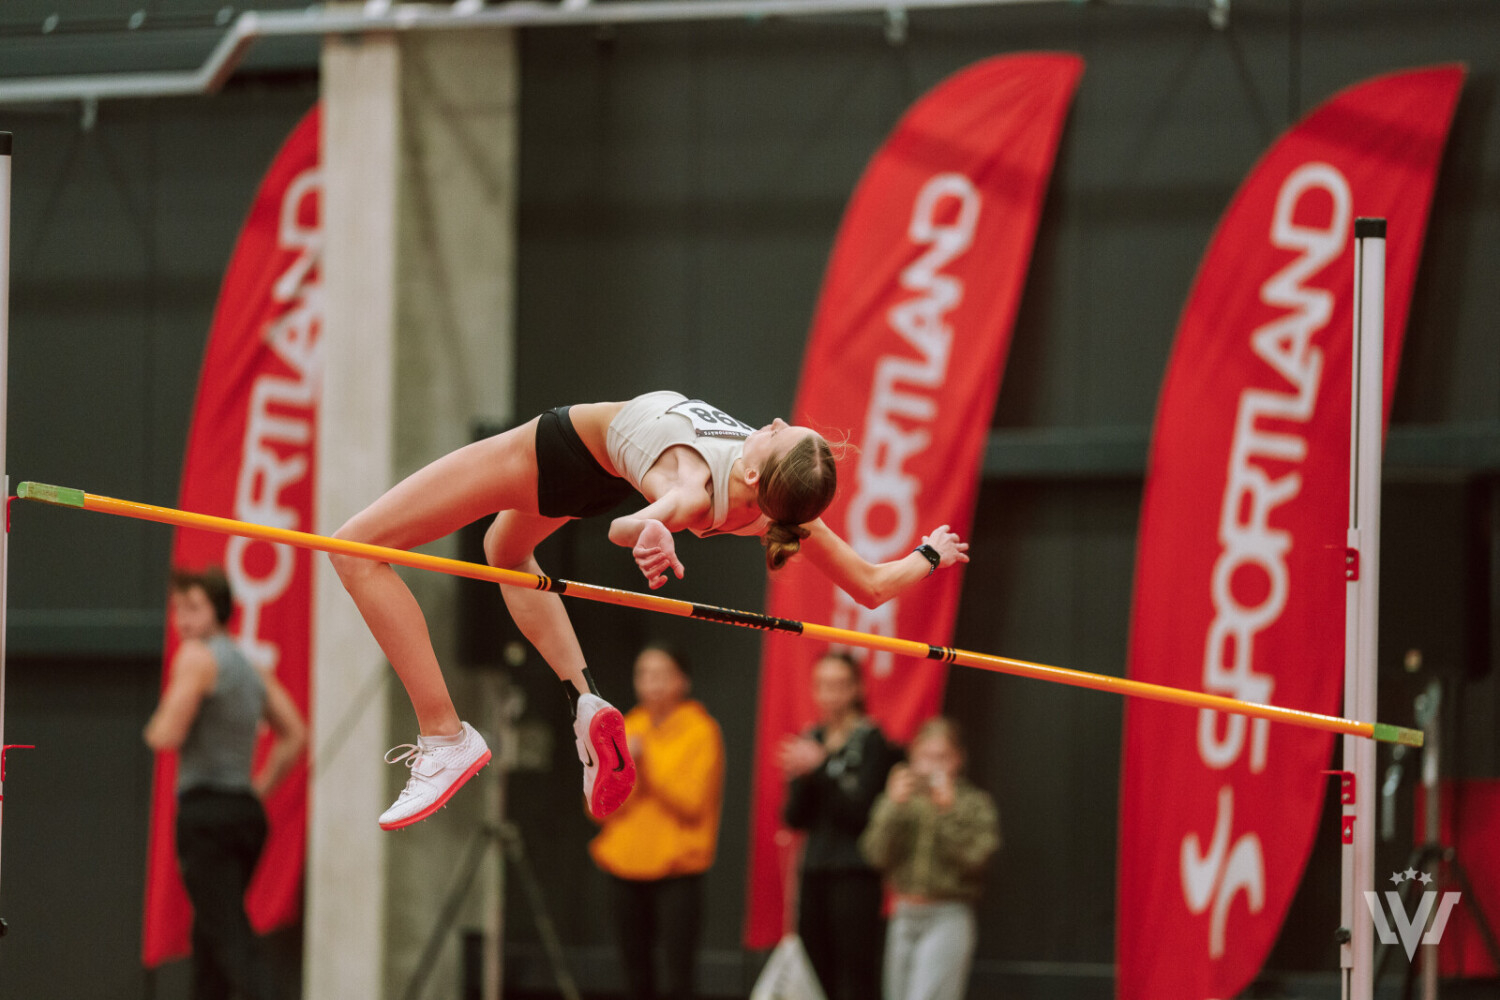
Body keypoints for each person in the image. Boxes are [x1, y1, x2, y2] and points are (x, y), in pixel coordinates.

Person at [330, 390, 968, 829]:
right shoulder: (783, 508)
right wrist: (931, 554)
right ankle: (585, 698)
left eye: (776, 433)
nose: (770, 422)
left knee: (355, 549)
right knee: (505, 551)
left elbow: (639, 520)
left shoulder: (694, 485)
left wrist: (653, 529)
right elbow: (872, 585)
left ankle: (444, 734)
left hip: (556, 453)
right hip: (604, 471)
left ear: (754, 477)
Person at [144, 568, 308, 1000]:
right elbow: (295, 734)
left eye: (193, 608)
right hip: (244, 814)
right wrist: (257, 790)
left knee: (230, 937)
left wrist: (158, 723)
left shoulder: (196, 658)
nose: (183, 621)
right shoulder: (252, 667)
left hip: (206, 817)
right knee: (212, 934)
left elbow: (168, 733)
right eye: (178, 609)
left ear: (218, 610)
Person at [589, 643, 725, 1000]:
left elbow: (692, 804)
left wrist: (644, 765)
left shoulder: (701, 730)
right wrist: (622, 770)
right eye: (644, 675)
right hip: (623, 865)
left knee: (678, 977)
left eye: (662, 675)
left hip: (677, 870)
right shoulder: (624, 728)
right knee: (634, 975)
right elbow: (598, 807)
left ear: (683, 681)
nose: (652, 684)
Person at [779, 650, 900, 1000]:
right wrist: (801, 776)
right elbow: (794, 818)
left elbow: (860, 812)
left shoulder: (873, 740)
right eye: (822, 685)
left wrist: (820, 769)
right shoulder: (812, 737)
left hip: (855, 872)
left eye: (838, 685)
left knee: (856, 975)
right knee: (817, 975)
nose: (829, 694)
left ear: (857, 688)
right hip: (815, 869)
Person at [859, 717, 1000, 1000]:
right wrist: (892, 807)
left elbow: (977, 859)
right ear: (913, 757)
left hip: (948, 915)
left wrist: (948, 813)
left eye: (943, 757)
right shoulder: (901, 799)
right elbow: (874, 855)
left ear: (958, 759)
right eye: (926, 756)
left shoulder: (973, 803)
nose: (934, 765)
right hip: (903, 914)